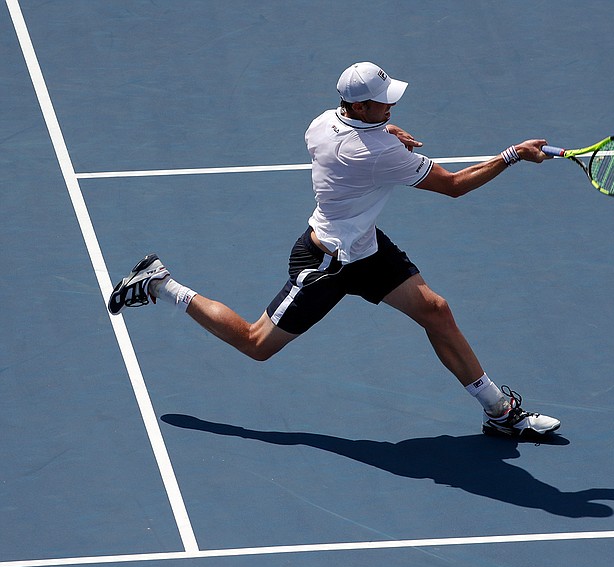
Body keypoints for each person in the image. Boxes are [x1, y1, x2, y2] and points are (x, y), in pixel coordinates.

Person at [108, 62, 560, 439]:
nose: (391, 105)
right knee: (255, 343)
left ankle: (499, 412)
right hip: (328, 264)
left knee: (436, 312)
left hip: (366, 248)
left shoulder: (324, 122)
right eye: (383, 102)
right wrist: (513, 155)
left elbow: (362, 135)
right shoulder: (375, 153)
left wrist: (385, 128)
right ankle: (160, 284)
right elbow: (454, 186)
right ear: (359, 106)